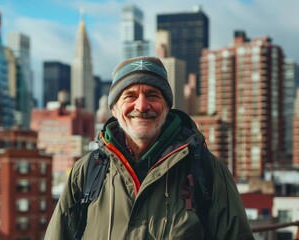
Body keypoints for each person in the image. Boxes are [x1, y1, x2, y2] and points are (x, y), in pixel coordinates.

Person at [44, 56, 254, 240]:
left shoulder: (207, 171)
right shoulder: (87, 173)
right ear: (114, 110)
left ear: (167, 106)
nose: (142, 106)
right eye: (130, 96)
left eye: (153, 95)